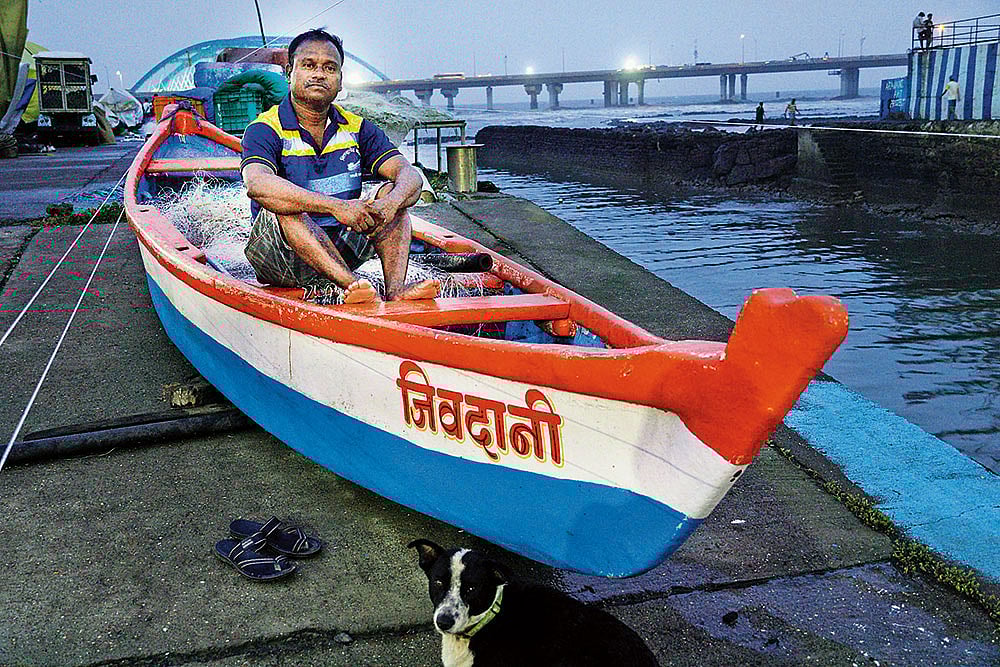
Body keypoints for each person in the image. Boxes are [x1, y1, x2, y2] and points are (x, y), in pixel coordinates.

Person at [240, 28, 439, 304]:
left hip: (341, 249)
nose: (319, 74)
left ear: (340, 80)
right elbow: (258, 184)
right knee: (282, 204)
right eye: (308, 65)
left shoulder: (357, 128)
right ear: (289, 73)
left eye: (329, 68)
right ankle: (354, 287)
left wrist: (390, 204)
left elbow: (410, 177)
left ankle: (395, 291)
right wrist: (337, 207)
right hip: (282, 258)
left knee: (394, 192)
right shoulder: (265, 128)